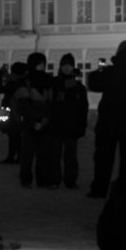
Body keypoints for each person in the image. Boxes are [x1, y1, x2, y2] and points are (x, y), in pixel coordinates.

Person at [86, 40, 126, 198]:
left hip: (109, 119)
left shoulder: (111, 71)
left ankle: (99, 189)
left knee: (103, 157)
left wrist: (100, 69)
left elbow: (94, 84)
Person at [48, 54, 88, 189]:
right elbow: (51, 105)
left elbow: (83, 109)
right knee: (55, 155)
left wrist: (82, 126)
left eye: (69, 65)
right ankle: (55, 179)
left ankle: (70, 180)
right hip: (56, 125)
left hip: (72, 126)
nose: (66, 68)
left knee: (70, 156)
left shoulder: (78, 87)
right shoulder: (55, 84)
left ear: (73, 67)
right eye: (64, 65)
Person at [15, 54, 52, 188]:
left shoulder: (48, 80)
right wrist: (34, 121)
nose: (42, 66)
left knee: (43, 155)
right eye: (39, 63)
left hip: (44, 123)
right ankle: (26, 179)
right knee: (27, 154)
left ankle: (42, 180)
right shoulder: (24, 82)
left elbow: (51, 103)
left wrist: (44, 120)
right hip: (30, 123)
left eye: (43, 63)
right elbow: (22, 104)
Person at [0, 62, 26, 164]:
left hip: (12, 109)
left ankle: (13, 157)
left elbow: (1, 90)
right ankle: (17, 156)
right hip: (17, 109)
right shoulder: (21, 80)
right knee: (16, 135)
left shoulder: (14, 81)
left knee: (13, 135)